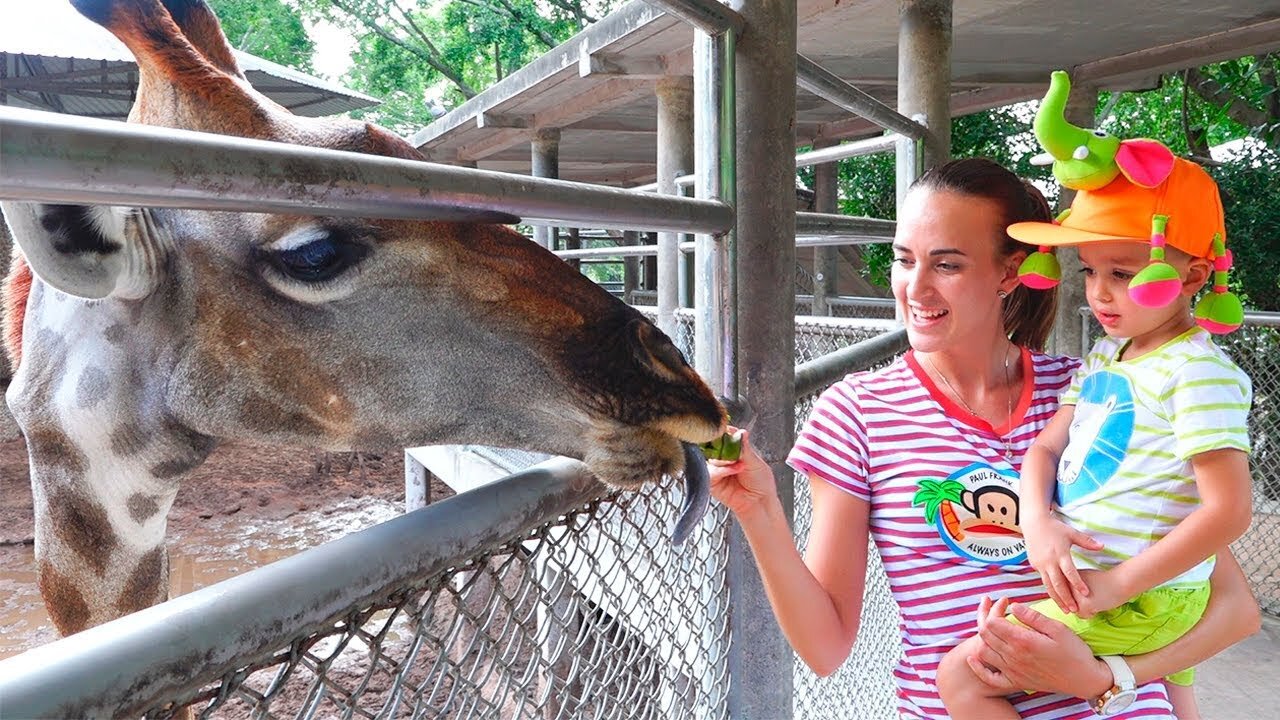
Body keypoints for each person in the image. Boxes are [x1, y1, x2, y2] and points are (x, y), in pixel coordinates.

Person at [706, 157, 1261, 719]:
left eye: (946, 264)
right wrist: (760, 511)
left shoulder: (1098, 390)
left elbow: (1234, 608)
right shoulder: (857, 412)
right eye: (903, 260)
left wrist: (1105, 679)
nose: (914, 287)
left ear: (1009, 272)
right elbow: (825, 650)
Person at [936, 149, 1253, 720]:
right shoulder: (1111, 354)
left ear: (1195, 274)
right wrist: (1038, 522)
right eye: (1089, 270)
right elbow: (1046, 447)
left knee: (962, 677)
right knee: (1180, 703)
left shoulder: (1199, 372)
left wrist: (1116, 588)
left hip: (1139, 595)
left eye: (1123, 273)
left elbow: (1228, 511)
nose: (1099, 293)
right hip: (1125, 589)